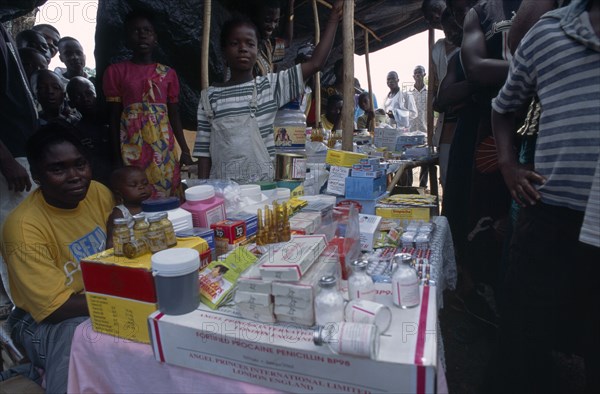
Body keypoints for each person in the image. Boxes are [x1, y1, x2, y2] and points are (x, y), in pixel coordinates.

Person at [491, 0, 600, 392]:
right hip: (550, 219)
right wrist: (508, 166)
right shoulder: (549, 33)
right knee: (524, 340)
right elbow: (503, 108)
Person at [2, 123, 114, 392]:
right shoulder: (24, 227)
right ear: (37, 176)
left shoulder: (97, 192)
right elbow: (55, 309)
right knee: (77, 334)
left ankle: (35, 371)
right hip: (39, 320)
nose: (75, 176)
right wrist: (122, 300)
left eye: (80, 164)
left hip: (97, 297)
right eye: (58, 169)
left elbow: (116, 230)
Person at [194, 1, 343, 183]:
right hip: (225, 191)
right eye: (235, 43)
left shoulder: (270, 87)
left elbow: (315, 63)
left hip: (262, 189)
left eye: (250, 44)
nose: (243, 48)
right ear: (223, 51)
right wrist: (201, 191)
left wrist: (334, 18)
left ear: (257, 50)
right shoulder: (209, 97)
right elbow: (203, 150)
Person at [459, 0, 522, 313]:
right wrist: (540, 64)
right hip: (494, 129)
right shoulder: (481, 12)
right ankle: (484, 302)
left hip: (543, 126)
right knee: (487, 211)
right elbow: (475, 68)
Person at [103, 10, 194, 198]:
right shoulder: (116, 72)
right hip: (132, 144)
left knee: (169, 189)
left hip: (163, 146)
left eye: (147, 30)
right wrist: (116, 158)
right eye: (136, 31)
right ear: (127, 38)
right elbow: (113, 117)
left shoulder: (168, 74)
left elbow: (174, 114)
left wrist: (185, 150)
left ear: (155, 38)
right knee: (136, 192)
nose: (142, 34)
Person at [0, 22, 39, 318]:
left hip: (22, 154)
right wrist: (6, 159)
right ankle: (24, 306)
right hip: (10, 160)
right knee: (14, 233)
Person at [431, 7, 461, 188]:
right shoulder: (438, 49)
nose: (450, 34)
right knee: (447, 179)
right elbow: (439, 95)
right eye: (447, 30)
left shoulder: (470, 47)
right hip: (447, 119)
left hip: (462, 118)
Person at [67, 76, 113, 186]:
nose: (85, 99)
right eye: (78, 96)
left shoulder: (113, 120)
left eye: (89, 93)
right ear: (71, 103)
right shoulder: (76, 131)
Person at [105, 166, 152, 248]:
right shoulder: (120, 212)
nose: (141, 187)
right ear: (119, 192)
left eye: (145, 183)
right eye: (133, 185)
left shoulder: (153, 206)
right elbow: (112, 240)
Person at [251, 0, 295, 76]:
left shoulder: (269, 45)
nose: (273, 26)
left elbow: (287, 41)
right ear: (256, 17)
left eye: (276, 21)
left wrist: (291, 6)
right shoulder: (249, 47)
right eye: (268, 20)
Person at [410, 65, 430, 188]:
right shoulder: (409, 95)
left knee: (425, 162)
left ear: (424, 75)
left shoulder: (429, 93)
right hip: (411, 133)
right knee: (409, 162)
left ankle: (423, 186)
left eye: (420, 72)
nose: (418, 74)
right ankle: (409, 186)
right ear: (413, 76)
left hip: (425, 132)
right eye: (416, 72)